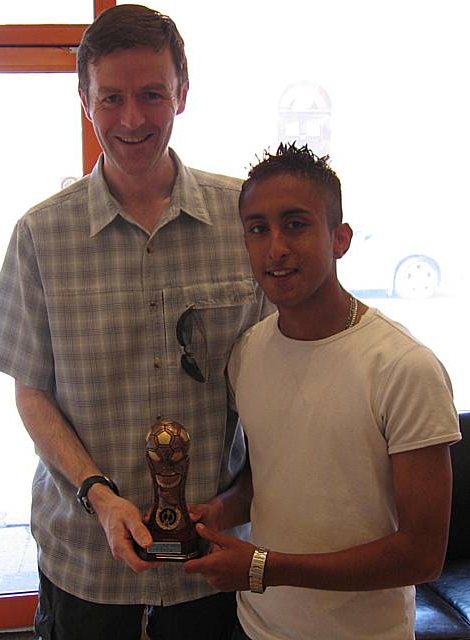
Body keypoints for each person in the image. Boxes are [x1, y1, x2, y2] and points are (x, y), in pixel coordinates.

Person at [0, 5, 271, 640]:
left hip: (213, 563)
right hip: (86, 566)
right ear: (86, 99)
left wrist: (237, 502)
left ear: (182, 93)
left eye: (151, 94)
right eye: (112, 98)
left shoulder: (245, 219)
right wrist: (99, 497)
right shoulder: (41, 234)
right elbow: (32, 392)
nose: (132, 119)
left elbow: (285, 380)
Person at [185, 143, 461, 640]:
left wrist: (265, 569)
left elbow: (423, 555)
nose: (276, 248)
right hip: (258, 628)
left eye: (295, 224)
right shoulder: (248, 354)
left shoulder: (403, 367)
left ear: (340, 238)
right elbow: (272, 481)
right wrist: (221, 511)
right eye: (257, 228)